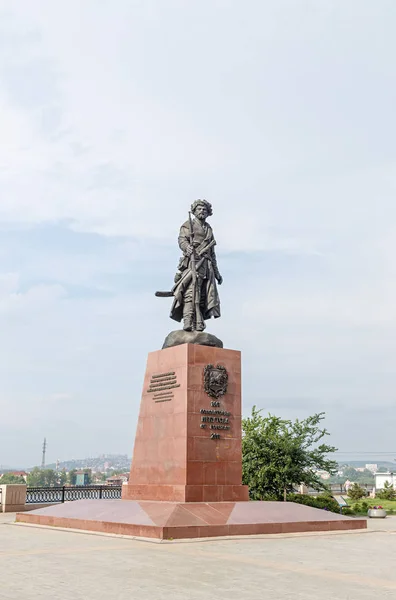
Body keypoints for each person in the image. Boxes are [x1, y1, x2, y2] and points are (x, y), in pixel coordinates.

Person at [170, 199, 222, 331]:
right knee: (190, 293)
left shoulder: (209, 229)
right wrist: (187, 247)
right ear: (194, 211)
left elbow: (212, 253)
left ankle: (198, 322)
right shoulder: (188, 225)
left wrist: (216, 272)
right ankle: (188, 321)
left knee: (204, 295)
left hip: (207, 265)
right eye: (199, 209)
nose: (202, 211)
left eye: (204, 209)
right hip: (193, 262)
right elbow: (181, 240)